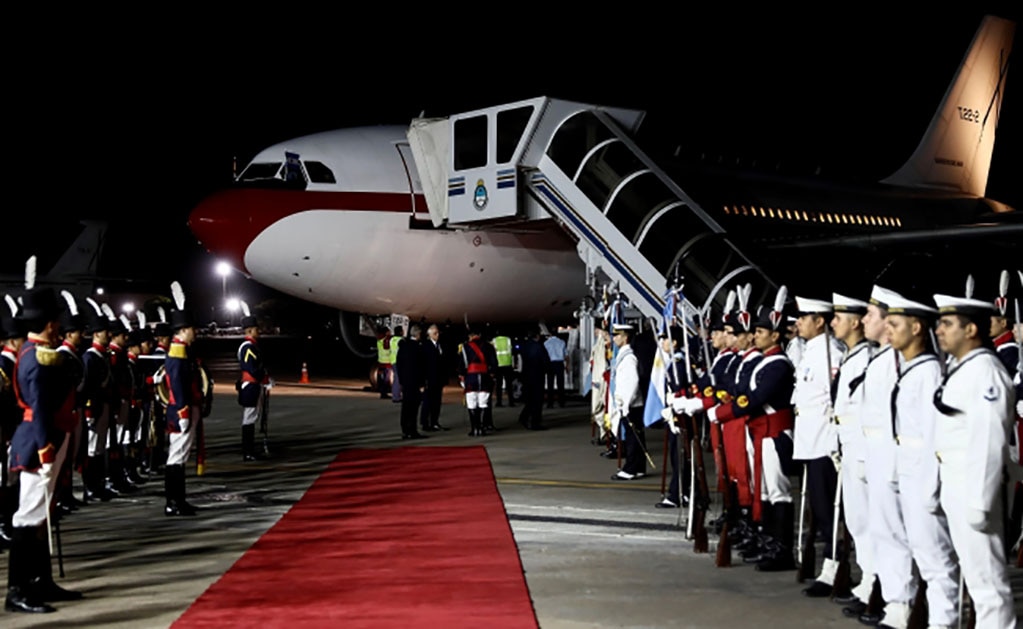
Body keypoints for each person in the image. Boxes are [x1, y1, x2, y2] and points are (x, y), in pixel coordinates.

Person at [932, 292, 1017, 627]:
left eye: (948, 324)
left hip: (974, 487)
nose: (939, 330)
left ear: (970, 331)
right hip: (956, 483)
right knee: (975, 576)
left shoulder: (986, 372)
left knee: (988, 584)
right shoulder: (963, 367)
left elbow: (989, 440)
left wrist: (980, 500)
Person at [6, 286, 82, 613]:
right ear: (50, 324)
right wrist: (46, 450)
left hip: (45, 439)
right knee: (28, 518)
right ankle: (17, 590)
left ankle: (40, 581)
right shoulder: (35, 358)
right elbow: (38, 409)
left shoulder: (33, 352)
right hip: (39, 443)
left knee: (40, 516)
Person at [886, 291, 959, 628]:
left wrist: (930, 490)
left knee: (935, 557)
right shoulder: (913, 369)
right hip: (909, 471)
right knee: (921, 551)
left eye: (895, 324)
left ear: (916, 328)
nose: (889, 330)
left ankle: (944, 622)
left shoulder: (928, 371)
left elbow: (933, 436)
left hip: (923, 476)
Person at [855, 285, 917, 627]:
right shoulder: (878, 359)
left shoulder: (895, 363)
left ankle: (901, 603)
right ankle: (890, 597)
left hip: (891, 458)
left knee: (895, 531)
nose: (866, 320)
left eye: (872, 315)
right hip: (876, 456)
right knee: (881, 529)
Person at [790, 295, 844, 598]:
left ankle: (834, 567)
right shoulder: (811, 352)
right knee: (817, 509)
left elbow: (832, 402)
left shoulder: (830, 354)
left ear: (819, 321)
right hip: (810, 440)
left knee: (828, 511)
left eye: (804, 317)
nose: (799, 323)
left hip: (824, 441)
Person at [825, 293, 876, 612]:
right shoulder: (851, 356)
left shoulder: (867, 358)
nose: (833, 323)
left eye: (838, 317)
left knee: (868, 521)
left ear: (855, 322)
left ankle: (873, 584)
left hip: (863, 448)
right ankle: (868, 580)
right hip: (849, 444)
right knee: (857, 521)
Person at [163, 286, 203, 517]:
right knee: (176, 457)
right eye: (192, 329)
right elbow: (177, 387)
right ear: (184, 329)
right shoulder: (178, 353)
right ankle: (173, 502)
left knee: (181, 457)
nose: (195, 332)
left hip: (186, 410)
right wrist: (183, 412)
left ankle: (179, 500)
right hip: (181, 412)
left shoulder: (184, 351)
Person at [0, 297, 25, 549]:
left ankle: (7, 522)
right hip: (6, 430)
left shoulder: (13, 363)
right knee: (4, 480)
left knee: (10, 480)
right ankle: (3, 524)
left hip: (13, 429)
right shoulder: (3, 365)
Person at [610, 323, 647, 481]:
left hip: (630, 404)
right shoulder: (624, 355)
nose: (614, 338)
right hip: (629, 404)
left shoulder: (629, 357)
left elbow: (632, 381)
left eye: (618, 335)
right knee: (637, 436)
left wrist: (625, 404)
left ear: (625, 337)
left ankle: (630, 468)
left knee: (632, 438)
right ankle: (639, 467)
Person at [237, 306, 270, 461]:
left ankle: (249, 449)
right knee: (249, 418)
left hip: (253, 385)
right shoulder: (248, 347)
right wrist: (264, 378)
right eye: (256, 329)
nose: (259, 331)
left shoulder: (251, 346)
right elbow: (251, 368)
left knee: (252, 418)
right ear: (250, 330)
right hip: (251, 386)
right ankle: (247, 451)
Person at [459, 327, 494, 436]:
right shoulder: (489, 347)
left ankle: (475, 429)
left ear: (471, 336)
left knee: (471, 403)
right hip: (485, 378)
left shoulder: (465, 347)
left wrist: (462, 376)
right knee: (483, 403)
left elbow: (461, 365)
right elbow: (494, 363)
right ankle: (482, 428)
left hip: (471, 378)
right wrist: (491, 375)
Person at [396, 324, 427, 440]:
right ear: (418, 334)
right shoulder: (418, 348)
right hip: (415, 383)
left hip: (406, 382)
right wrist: (422, 384)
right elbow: (420, 368)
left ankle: (405, 430)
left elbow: (399, 365)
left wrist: (402, 380)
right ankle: (412, 431)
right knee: (413, 408)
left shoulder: (403, 346)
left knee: (405, 407)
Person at [518, 327, 550, 431]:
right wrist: (547, 370)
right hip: (537, 375)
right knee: (537, 400)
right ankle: (535, 422)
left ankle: (524, 417)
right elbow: (545, 361)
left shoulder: (524, 346)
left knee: (529, 399)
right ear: (537, 336)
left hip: (526, 375)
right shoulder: (539, 347)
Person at [419, 324, 448, 432]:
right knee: (427, 402)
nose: (437, 335)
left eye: (438, 333)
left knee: (437, 402)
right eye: (435, 333)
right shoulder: (425, 346)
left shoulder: (440, 345)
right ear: (429, 334)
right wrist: (422, 381)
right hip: (429, 380)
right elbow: (422, 365)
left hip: (438, 380)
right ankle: (425, 423)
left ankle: (434, 422)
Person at [491, 329, 515, 407]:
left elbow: (492, 352)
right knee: (509, 384)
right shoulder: (508, 340)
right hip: (507, 364)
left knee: (499, 385)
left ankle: (499, 402)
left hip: (498, 365)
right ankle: (511, 402)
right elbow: (511, 351)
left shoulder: (494, 340)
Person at [543, 332, 567, 408]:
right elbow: (566, 355)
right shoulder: (562, 342)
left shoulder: (546, 343)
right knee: (560, 384)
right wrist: (567, 366)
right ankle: (561, 402)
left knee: (550, 384)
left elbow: (544, 355)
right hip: (559, 363)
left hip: (550, 364)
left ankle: (550, 403)